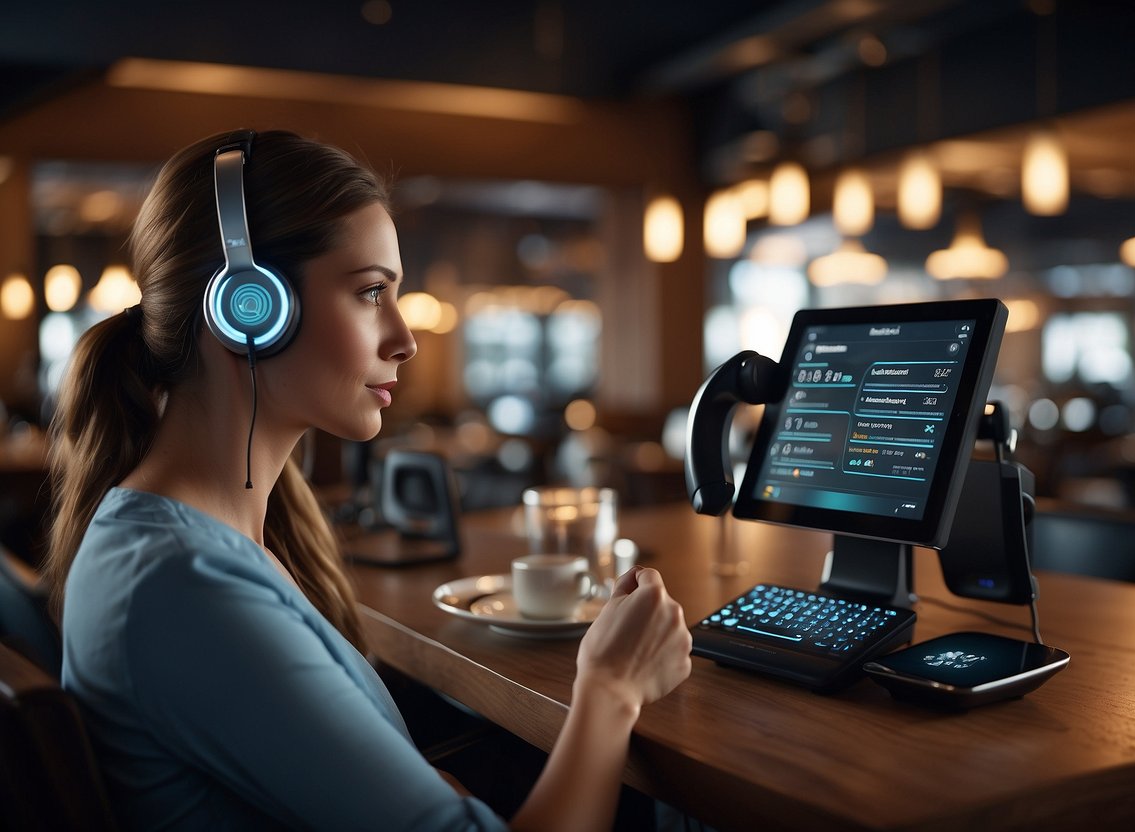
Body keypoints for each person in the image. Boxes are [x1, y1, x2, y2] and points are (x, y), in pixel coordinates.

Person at [43, 129, 693, 831]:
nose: (405, 339)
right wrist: (610, 690)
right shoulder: (178, 587)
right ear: (248, 306)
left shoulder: (202, 545)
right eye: (370, 292)